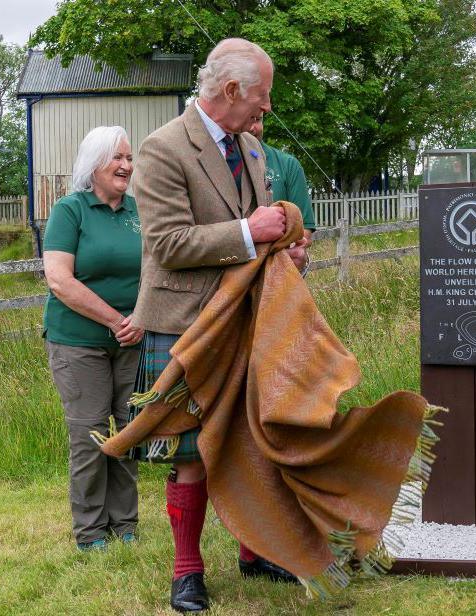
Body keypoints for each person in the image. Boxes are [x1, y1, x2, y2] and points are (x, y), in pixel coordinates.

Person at [128, 38, 308, 613]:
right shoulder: (162, 149)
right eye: (262, 96)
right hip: (184, 322)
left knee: (252, 439)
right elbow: (168, 244)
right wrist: (251, 233)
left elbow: (258, 238)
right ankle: (187, 569)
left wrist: (282, 253)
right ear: (230, 91)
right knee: (190, 449)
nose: (267, 109)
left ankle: (254, 549)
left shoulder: (252, 150)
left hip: (247, 317)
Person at [42, 125, 144, 552]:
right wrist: (115, 319)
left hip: (132, 339)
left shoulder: (141, 211)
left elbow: (159, 269)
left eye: (128, 157)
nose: (126, 165)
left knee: (128, 429)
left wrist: (140, 317)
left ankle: (125, 523)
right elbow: (59, 280)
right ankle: (90, 531)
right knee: (89, 434)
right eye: (116, 158)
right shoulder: (71, 210)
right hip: (78, 341)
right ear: (93, 165)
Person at [248, 116, 316, 241]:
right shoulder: (220, 163)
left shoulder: (288, 164)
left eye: (257, 120)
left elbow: (304, 229)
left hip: (279, 257)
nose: (252, 128)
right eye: (247, 119)